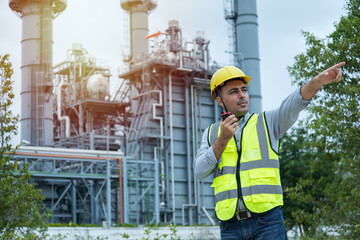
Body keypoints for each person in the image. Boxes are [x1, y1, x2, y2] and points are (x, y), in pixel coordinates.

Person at [193, 62, 345, 240]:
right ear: (219, 100)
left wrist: (317, 82)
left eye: (244, 89)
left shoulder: (267, 122)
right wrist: (223, 139)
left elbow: (294, 103)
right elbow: (199, 171)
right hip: (229, 226)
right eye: (233, 92)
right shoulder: (211, 134)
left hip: (267, 223)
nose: (242, 96)